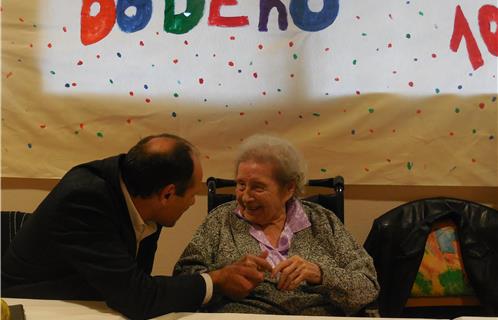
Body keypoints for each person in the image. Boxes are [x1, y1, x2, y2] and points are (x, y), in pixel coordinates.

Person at [1, 133, 272, 320]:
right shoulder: (84, 200)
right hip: (39, 305)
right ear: (167, 194)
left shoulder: (143, 191)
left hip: (100, 300)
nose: (193, 202)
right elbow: (138, 298)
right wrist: (217, 280)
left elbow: (137, 285)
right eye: (192, 193)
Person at [174, 134, 380, 315]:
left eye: (258, 187)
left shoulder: (323, 222)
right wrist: (223, 275)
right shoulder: (221, 220)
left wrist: (320, 274)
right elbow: (184, 278)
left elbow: (368, 287)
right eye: (241, 185)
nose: (245, 197)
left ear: (289, 189)